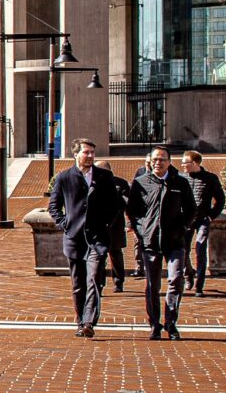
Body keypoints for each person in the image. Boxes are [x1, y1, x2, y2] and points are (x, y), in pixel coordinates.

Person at [48, 138, 122, 338]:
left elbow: (115, 205)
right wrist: (66, 224)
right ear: (76, 154)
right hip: (74, 238)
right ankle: (80, 321)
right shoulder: (64, 178)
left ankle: (89, 321)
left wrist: (106, 222)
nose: (90, 156)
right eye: (86, 152)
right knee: (78, 283)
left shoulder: (105, 177)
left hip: (98, 238)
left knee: (94, 279)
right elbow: (53, 207)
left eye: (92, 153)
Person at [128, 145, 195, 341]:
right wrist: (142, 231)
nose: (158, 163)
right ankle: (154, 324)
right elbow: (132, 211)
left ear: (169, 162)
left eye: (162, 159)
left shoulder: (180, 183)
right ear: (150, 161)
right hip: (150, 242)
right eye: (155, 159)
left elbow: (191, 209)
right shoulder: (140, 183)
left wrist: (181, 227)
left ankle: (171, 322)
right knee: (152, 286)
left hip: (174, 242)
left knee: (175, 280)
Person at [181, 150, 225, 297]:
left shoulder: (210, 178)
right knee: (183, 250)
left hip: (202, 219)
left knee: (200, 248)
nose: (182, 165)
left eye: (185, 162)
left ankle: (199, 285)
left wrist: (212, 215)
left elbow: (220, 199)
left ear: (195, 163)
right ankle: (188, 274)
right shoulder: (181, 178)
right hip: (186, 220)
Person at [95, 160, 129, 293]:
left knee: (115, 255)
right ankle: (99, 283)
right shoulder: (92, 183)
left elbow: (127, 203)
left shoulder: (120, 184)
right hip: (98, 226)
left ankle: (119, 281)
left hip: (115, 226)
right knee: (98, 257)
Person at [130, 153, 152, 278]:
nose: (148, 164)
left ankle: (151, 267)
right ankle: (139, 267)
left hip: (154, 216)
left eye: (150, 162)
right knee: (138, 242)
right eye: (147, 162)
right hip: (141, 215)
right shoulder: (140, 173)